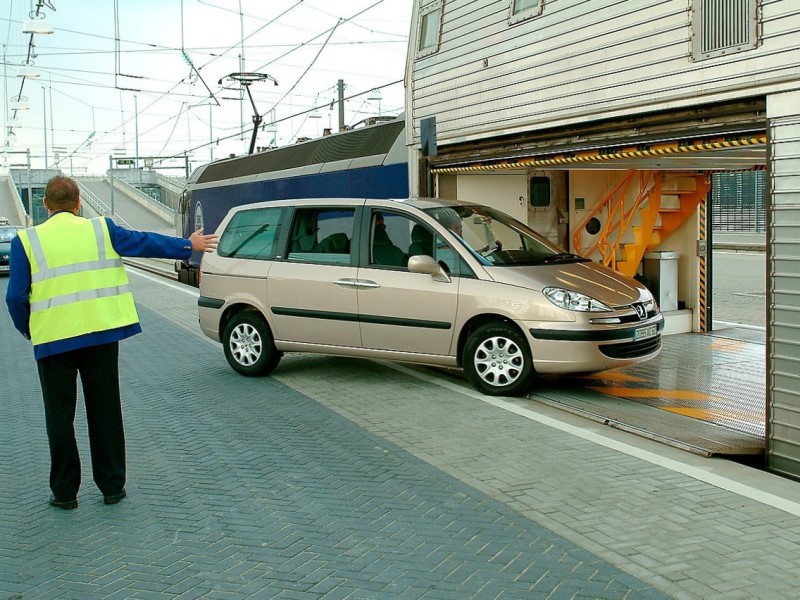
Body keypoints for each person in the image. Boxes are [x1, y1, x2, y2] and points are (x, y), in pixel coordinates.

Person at [5, 175, 218, 510]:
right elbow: (143, 242)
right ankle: (112, 487)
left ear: (45, 204)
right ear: (78, 203)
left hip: (53, 342)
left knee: (59, 418)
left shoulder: (26, 241)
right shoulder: (101, 229)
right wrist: (187, 245)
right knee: (105, 411)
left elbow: (15, 298)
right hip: (101, 336)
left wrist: (30, 329)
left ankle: (65, 493)